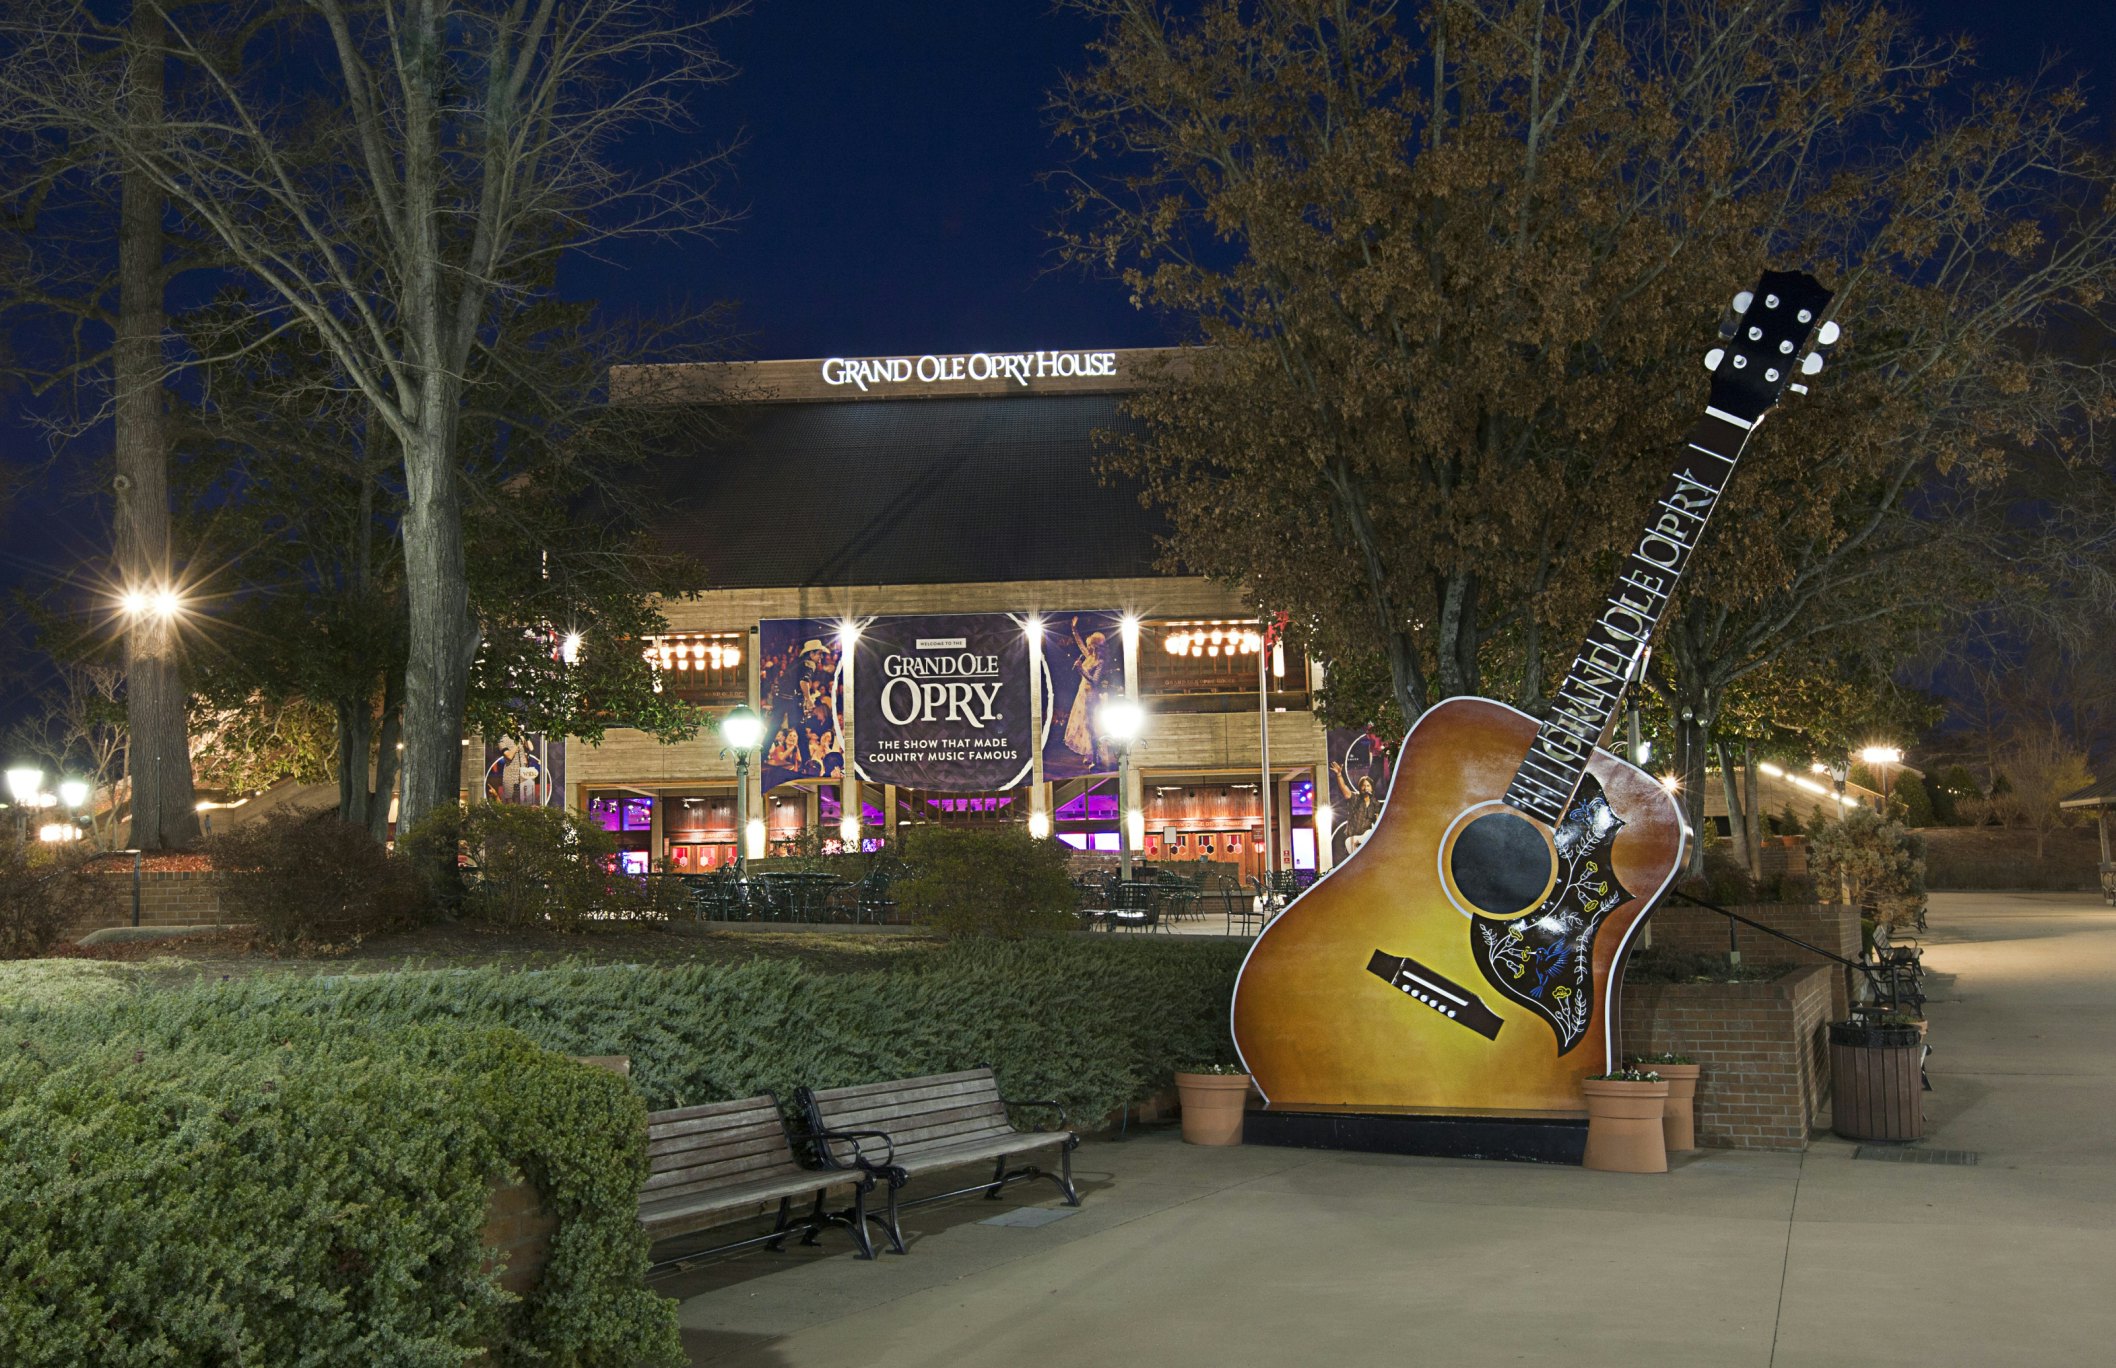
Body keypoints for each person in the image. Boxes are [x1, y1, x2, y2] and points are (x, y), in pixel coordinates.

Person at [1063, 617, 1114, 766]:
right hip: (1082, 693)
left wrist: (1080, 669)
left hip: (1092, 695)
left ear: (1096, 646)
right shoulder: (1090, 656)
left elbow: (1094, 681)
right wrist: (1074, 630)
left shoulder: (1100, 662)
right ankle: (1089, 754)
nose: (1089, 646)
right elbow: (1079, 644)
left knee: (1091, 725)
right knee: (1084, 725)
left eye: (1091, 645)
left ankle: (1096, 755)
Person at [1331, 758, 1383, 855]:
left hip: (1366, 841)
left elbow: (1378, 821)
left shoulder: (1375, 803)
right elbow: (1345, 790)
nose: (1365, 788)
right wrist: (1339, 775)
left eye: (1368, 786)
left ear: (1372, 788)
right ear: (1360, 788)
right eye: (1363, 786)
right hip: (1352, 840)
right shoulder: (1355, 798)